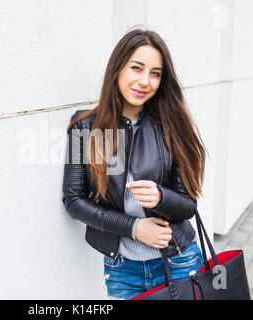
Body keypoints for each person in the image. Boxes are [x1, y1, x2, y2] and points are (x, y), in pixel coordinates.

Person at [61, 28, 208, 300]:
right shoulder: (88, 127)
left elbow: (188, 204)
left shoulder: (169, 126)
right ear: (118, 68)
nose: (145, 81)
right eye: (137, 68)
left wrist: (161, 197)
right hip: (122, 270)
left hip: (178, 262)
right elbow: (73, 200)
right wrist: (134, 228)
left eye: (155, 73)